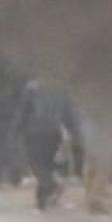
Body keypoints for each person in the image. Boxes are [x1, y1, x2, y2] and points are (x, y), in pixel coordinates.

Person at [14, 79, 82, 210]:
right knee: (46, 165)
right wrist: (75, 132)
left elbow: (23, 111)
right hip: (53, 131)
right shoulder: (60, 87)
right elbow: (68, 113)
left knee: (37, 165)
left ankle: (49, 187)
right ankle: (42, 199)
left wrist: (16, 130)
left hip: (34, 131)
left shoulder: (32, 87)